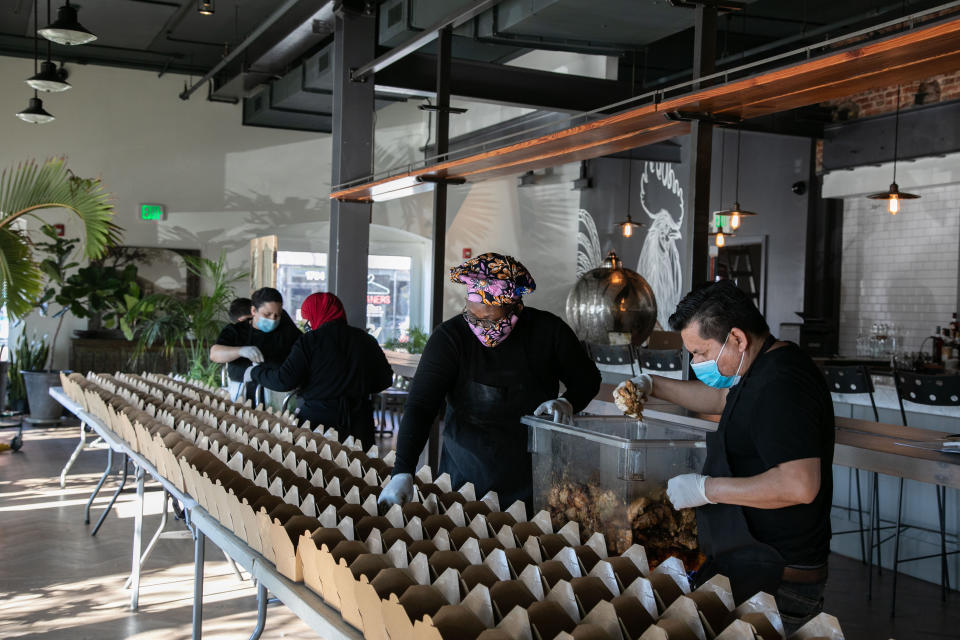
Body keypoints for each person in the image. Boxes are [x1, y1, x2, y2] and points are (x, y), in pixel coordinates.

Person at [614, 281, 833, 631]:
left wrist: (707, 489)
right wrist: (651, 384)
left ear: (737, 339)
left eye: (700, 352)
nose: (696, 362)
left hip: (779, 576)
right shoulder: (757, 368)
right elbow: (720, 401)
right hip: (749, 561)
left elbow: (799, 485)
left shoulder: (784, 383)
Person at [378, 252, 601, 509]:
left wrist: (568, 402)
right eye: (473, 316)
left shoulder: (548, 332)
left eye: (490, 319)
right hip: (465, 479)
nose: (480, 326)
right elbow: (421, 405)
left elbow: (588, 379)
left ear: (516, 306)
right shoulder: (450, 338)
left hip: (535, 477)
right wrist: (403, 470)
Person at [245, 292, 394, 450]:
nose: (307, 323)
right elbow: (385, 379)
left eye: (307, 318)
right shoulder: (365, 339)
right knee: (359, 471)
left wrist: (255, 372)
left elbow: (284, 381)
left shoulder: (310, 341)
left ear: (315, 314)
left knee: (318, 471)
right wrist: (356, 387)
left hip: (318, 422)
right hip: (359, 422)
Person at [210, 287, 302, 399]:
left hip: (276, 394)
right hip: (242, 394)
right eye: (267, 314)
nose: (273, 319)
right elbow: (215, 354)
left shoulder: (288, 332)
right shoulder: (236, 331)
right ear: (253, 311)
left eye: (277, 315)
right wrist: (240, 351)